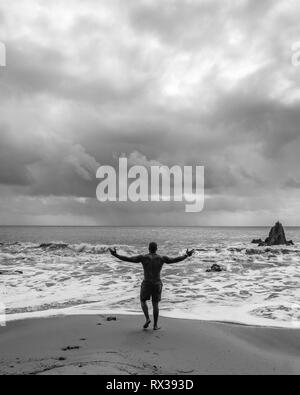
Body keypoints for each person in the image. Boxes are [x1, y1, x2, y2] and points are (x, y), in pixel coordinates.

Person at [109, 242, 195, 330]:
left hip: (147, 283)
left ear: (148, 248)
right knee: (155, 304)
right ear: (156, 249)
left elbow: (128, 259)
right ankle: (155, 325)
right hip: (157, 283)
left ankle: (147, 319)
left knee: (143, 301)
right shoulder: (161, 258)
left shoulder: (143, 258)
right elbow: (175, 260)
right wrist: (186, 255)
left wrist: (115, 255)